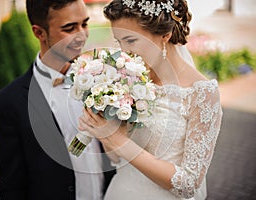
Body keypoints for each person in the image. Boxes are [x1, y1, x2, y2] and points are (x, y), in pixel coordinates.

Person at [78, 0, 223, 199]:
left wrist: (119, 141)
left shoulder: (202, 93)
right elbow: (115, 157)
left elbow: (189, 184)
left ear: (165, 35)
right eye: (119, 42)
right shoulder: (127, 79)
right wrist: (103, 129)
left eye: (130, 40)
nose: (124, 52)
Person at [0, 0, 114, 199]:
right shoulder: (7, 105)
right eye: (69, 28)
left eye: (85, 24)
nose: (82, 35)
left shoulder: (102, 80)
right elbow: (11, 188)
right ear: (39, 33)